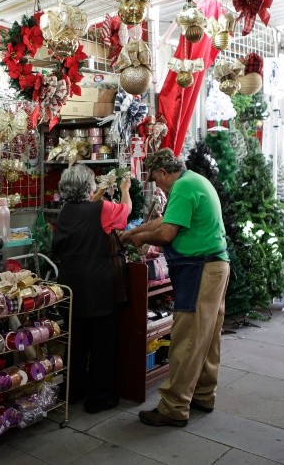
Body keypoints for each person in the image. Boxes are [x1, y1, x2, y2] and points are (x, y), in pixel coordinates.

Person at [121, 148, 229, 427]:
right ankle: (204, 395)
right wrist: (135, 232)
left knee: (187, 339)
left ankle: (174, 407)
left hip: (201, 269)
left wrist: (140, 238)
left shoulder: (182, 186)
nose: (159, 187)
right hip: (214, 267)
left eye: (156, 181)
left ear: (162, 173)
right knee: (207, 337)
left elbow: (167, 233)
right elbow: (167, 220)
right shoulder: (193, 180)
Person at [53, 164, 131, 413]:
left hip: (70, 286)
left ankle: (73, 390)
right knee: (101, 343)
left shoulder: (64, 211)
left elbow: (85, 209)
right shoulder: (103, 209)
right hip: (98, 285)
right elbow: (125, 212)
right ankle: (99, 397)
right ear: (89, 187)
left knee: (75, 341)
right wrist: (124, 189)